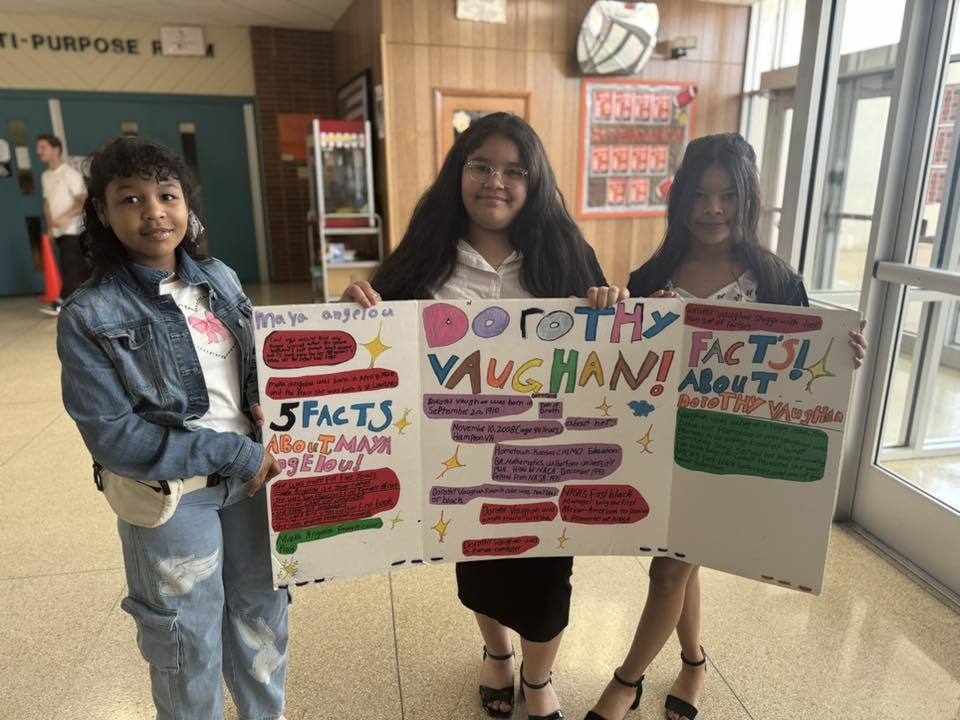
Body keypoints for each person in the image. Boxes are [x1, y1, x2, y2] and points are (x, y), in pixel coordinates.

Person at [343, 112, 620, 720]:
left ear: (535, 181)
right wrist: (352, 309)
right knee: (479, 569)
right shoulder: (426, 250)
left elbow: (609, 346)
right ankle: (497, 654)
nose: (496, 181)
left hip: (547, 462)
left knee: (548, 580)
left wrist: (608, 303)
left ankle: (539, 676)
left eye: (515, 171)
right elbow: (376, 333)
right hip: (459, 460)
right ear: (459, 172)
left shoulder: (569, 251)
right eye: (482, 166)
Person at [583, 132, 868, 720]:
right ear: (681, 199)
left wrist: (843, 354)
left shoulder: (776, 280)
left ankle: (625, 681)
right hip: (662, 445)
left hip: (733, 451)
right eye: (699, 194)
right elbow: (626, 363)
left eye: (728, 195)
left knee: (668, 569)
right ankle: (692, 662)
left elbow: (805, 366)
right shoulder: (651, 273)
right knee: (682, 553)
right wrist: (612, 314)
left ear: (749, 199)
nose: (712, 209)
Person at [57, 136, 289, 720]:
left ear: (188, 206)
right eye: (130, 199)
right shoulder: (90, 314)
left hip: (256, 482)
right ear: (103, 216)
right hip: (172, 497)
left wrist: (340, 324)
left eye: (167, 195)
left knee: (263, 619)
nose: (154, 211)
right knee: (187, 639)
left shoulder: (220, 277)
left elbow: (266, 365)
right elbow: (113, 436)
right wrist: (232, 452)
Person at [36, 133, 89, 315]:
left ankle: (64, 304)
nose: (38, 152)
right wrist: (51, 226)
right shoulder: (45, 176)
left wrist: (65, 217)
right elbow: (47, 204)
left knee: (70, 267)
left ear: (56, 149)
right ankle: (80, 303)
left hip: (73, 230)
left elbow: (82, 200)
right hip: (58, 231)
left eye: (43, 147)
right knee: (76, 268)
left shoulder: (70, 174)